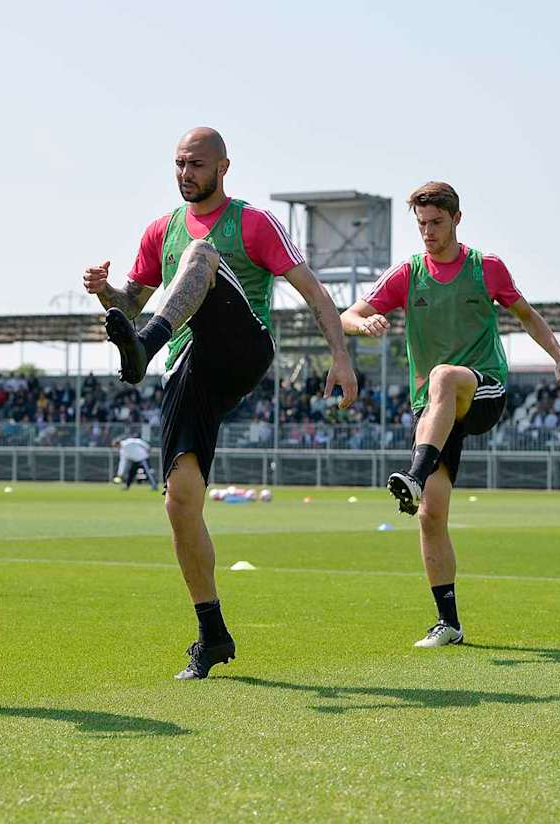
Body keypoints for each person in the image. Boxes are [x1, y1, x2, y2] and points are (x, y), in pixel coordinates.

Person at [84, 127, 357, 679]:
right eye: (179, 164)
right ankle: (212, 635)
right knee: (180, 503)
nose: (187, 173)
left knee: (203, 253)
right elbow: (129, 304)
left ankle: (143, 350)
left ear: (223, 168)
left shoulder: (252, 222)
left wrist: (341, 357)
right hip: (187, 366)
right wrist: (105, 293)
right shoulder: (160, 230)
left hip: (241, 347)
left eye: (197, 164)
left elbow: (315, 292)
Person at [340, 181, 560, 648]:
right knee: (431, 514)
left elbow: (527, 315)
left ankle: (412, 473)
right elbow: (349, 312)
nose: (427, 233)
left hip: (482, 389)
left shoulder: (485, 268)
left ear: (456, 219)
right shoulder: (407, 274)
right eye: (421, 225)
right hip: (434, 411)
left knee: (445, 375)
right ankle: (448, 623)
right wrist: (362, 322)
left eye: (436, 223)